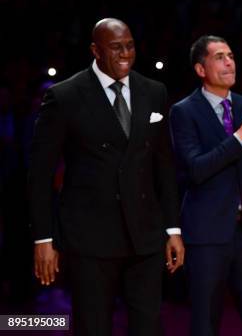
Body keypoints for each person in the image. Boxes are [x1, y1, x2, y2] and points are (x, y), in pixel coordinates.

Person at [27, 18, 184, 336]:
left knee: (148, 327)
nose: (125, 53)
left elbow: (164, 166)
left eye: (130, 45)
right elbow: (39, 175)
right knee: (93, 327)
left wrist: (173, 228)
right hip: (90, 239)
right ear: (95, 51)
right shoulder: (65, 96)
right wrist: (43, 238)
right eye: (116, 47)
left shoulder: (153, 91)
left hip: (146, 236)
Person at [169, 35, 242, 336]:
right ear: (201, 69)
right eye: (219, 56)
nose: (229, 61)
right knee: (205, 323)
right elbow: (196, 170)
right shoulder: (184, 111)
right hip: (205, 233)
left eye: (230, 55)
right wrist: (241, 135)